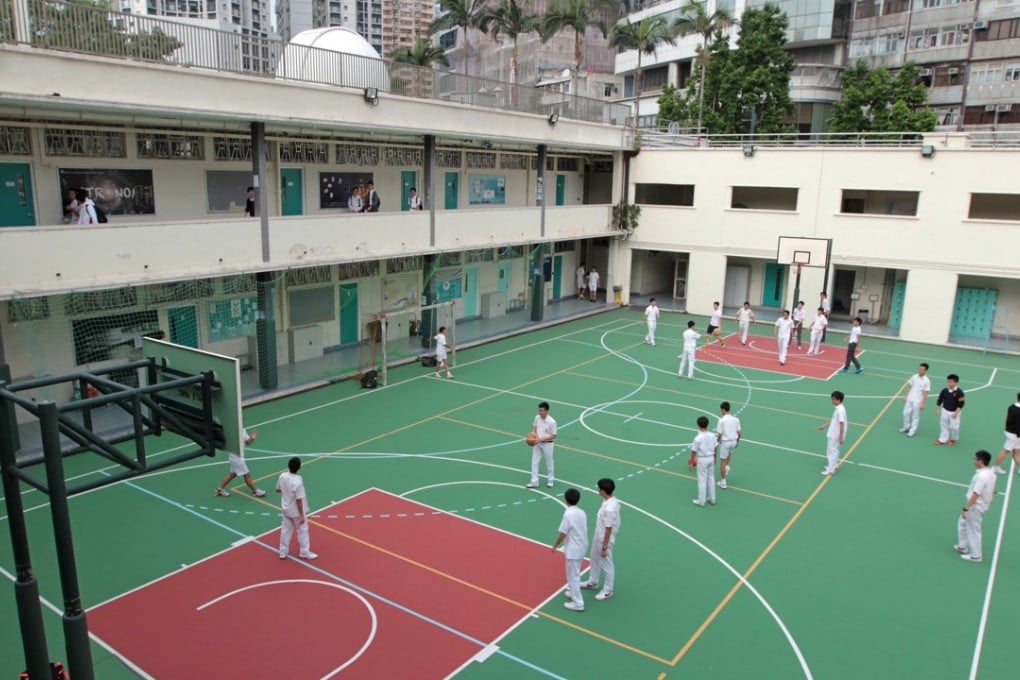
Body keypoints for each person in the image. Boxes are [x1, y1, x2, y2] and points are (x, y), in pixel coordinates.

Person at [581, 478, 620, 601]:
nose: (597, 489)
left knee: (607, 564)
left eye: (599, 488)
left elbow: (608, 529)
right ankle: (593, 581)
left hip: (604, 539)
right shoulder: (610, 501)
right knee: (594, 558)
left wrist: (605, 547)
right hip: (598, 536)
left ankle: (608, 590)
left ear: (603, 490)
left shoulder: (609, 508)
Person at [955, 450, 996, 563]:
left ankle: (976, 555)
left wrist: (966, 508)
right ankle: (962, 546)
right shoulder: (990, 473)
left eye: (975, 458)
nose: (974, 460)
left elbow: (976, 493)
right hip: (980, 504)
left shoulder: (982, 476)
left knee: (974, 529)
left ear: (980, 461)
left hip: (976, 506)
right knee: (962, 521)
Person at [551, 487, 588, 612]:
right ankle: (573, 592)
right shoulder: (582, 512)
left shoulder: (568, 514)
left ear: (566, 500)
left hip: (574, 549)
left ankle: (578, 603)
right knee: (572, 573)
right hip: (581, 546)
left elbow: (563, 532)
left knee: (573, 575)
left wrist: (555, 546)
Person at [277, 456, 317, 560]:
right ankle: (304, 552)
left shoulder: (282, 476)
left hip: (285, 509)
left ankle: (283, 551)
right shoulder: (298, 481)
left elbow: (278, 489)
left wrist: (287, 492)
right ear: (299, 467)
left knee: (285, 530)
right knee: (302, 531)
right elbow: (299, 499)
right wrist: (301, 515)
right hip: (295, 511)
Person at [214, 429, 267, 498]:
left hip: (236, 458)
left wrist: (252, 438)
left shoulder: (243, 430)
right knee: (247, 475)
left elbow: (248, 442)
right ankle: (255, 491)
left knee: (232, 474)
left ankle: (220, 490)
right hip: (236, 458)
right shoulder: (231, 433)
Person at [526, 401, 557, 488]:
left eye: (541, 411)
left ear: (547, 411)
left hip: (548, 444)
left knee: (549, 462)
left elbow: (554, 435)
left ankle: (550, 480)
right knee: (534, 461)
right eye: (539, 410)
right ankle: (534, 481)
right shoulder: (537, 417)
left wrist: (541, 439)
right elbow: (535, 427)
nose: (540, 412)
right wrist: (533, 434)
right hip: (537, 443)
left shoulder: (552, 422)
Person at [818, 390, 846, 476]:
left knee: (831, 451)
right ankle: (834, 466)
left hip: (835, 434)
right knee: (834, 450)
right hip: (834, 432)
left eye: (833, 399)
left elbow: (842, 423)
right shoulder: (839, 409)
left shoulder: (840, 410)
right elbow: (834, 420)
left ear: (838, 400)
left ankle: (831, 470)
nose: (832, 401)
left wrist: (841, 437)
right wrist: (824, 426)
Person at [691, 416, 717, 506]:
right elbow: (715, 447)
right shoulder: (712, 435)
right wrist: (715, 457)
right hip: (711, 457)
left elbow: (694, 451)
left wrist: (691, 462)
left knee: (702, 480)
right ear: (708, 424)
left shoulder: (697, 438)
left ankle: (701, 501)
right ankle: (713, 499)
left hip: (702, 459)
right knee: (711, 478)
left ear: (698, 425)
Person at [900, 363, 931, 437]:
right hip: (910, 398)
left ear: (926, 370)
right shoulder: (914, 377)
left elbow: (926, 393)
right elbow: (909, 386)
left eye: (922, 369)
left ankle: (912, 431)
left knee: (915, 416)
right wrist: (905, 396)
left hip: (918, 401)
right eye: (919, 369)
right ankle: (906, 427)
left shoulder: (927, 381)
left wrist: (923, 403)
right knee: (905, 413)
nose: (920, 370)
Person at [992, 393, 1020, 475]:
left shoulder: (1012, 406)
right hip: (1015, 434)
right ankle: (995, 467)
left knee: (1016, 451)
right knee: (1006, 450)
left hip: (1011, 431)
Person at [934, 374, 965, 446]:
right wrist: (937, 409)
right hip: (944, 410)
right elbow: (940, 400)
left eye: (951, 382)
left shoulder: (960, 392)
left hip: (954, 412)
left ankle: (953, 439)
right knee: (943, 425)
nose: (949, 384)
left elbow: (961, 403)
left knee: (954, 427)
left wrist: (956, 413)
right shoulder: (944, 390)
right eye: (948, 382)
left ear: (956, 382)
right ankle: (942, 439)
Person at [716, 401, 741, 489]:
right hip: (733, 441)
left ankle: (723, 482)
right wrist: (737, 442)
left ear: (723, 409)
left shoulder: (721, 420)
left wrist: (716, 442)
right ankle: (726, 468)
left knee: (722, 461)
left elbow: (720, 434)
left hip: (725, 442)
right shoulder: (736, 419)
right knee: (729, 453)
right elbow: (739, 433)